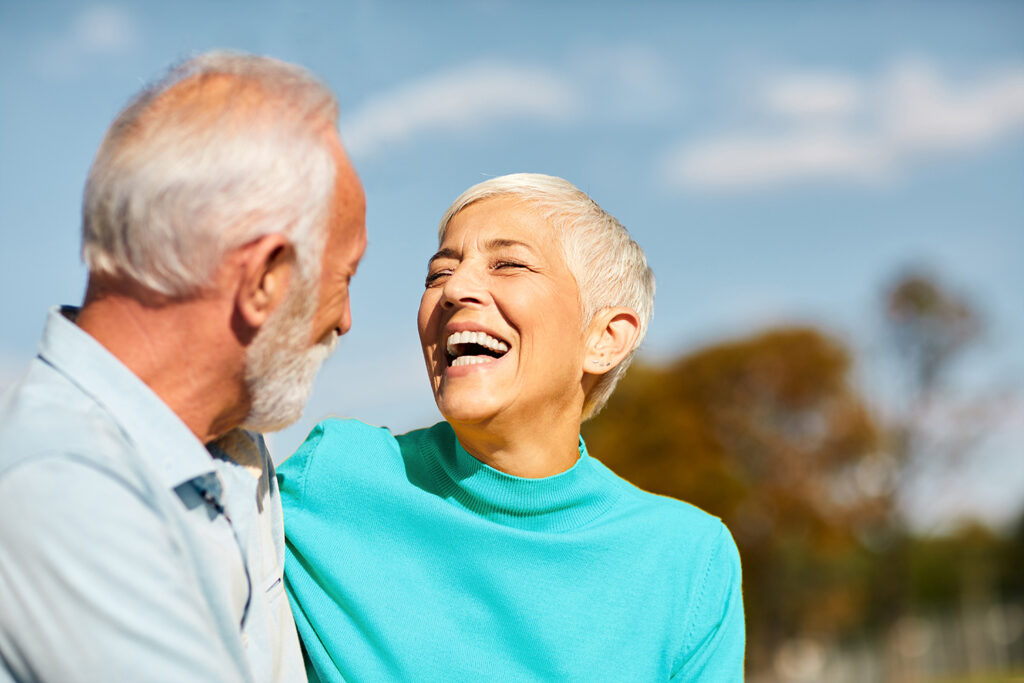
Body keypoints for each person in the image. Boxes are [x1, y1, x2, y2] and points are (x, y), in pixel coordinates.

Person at [279, 173, 745, 681]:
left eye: (508, 264)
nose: (455, 289)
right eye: (438, 274)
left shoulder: (689, 559)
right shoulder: (332, 476)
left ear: (605, 339)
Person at [0, 51, 366, 683]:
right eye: (345, 278)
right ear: (264, 280)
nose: (346, 320)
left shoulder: (231, 448)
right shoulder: (64, 490)